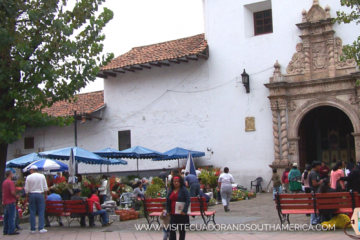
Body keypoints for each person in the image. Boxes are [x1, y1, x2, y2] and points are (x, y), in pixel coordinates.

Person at [25, 165, 48, 233]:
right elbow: (45, 187)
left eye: (30, 170)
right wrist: (45, 195)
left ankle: (33, 229)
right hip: (40, 194)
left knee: (32, 212)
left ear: (32, 170)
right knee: (41, 211)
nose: (29, 171)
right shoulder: (42, 176)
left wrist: (27, 196)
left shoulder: (28, 177)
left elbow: (27, 188)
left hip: (32, 194)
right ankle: (41, 228)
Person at [166, 175, 190, 240]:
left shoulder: (184, 190)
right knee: (172, 230)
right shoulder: (171, 190)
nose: (176, 183)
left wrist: (184, 211)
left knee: (182, 231)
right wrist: (168, 211)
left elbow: (188, 200)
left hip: (182, 214)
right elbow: (168, 201)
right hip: (173, 214)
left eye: (177, 181)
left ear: (180, 182)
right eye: (174, 181)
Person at [2, 170, 19, 235]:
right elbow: (12, 192)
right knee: (12, 217)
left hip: (5, 201)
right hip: (11, 201)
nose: (12, 175)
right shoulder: (10, 182)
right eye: (12, 174)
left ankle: (5, 230)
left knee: (6, 216)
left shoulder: (4, 182)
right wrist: (16, 196)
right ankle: (11, 230)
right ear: (10, 175)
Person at [308, 161, 323, 225]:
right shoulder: (313, 173)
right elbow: (314, 183)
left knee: (315, 206)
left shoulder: (314, 173)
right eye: (319, 166)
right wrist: (321, 182)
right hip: (315, 192)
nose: (320, 167)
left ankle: (315, 219)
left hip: (314, 192)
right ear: (316, 166)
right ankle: (314, 220)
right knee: (314, 206)